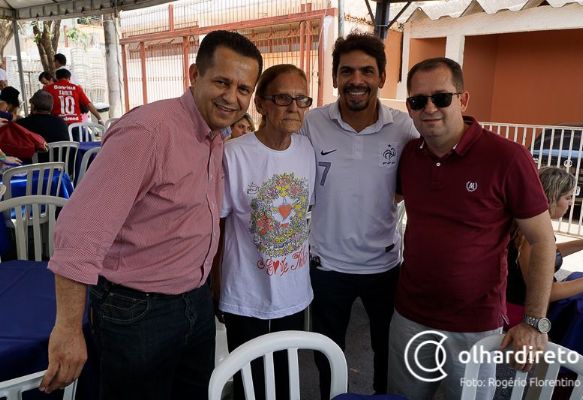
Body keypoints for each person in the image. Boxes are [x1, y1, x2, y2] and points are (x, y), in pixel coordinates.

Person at [39, 30, 263, 400]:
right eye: (222, 81)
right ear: (194, 75)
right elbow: (78, 236)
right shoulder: (148, 131)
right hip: (137, 313)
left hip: (195, 302)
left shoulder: (215, 135)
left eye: (244, 89)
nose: (232, 97)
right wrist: (67, 330)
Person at [388, 57, 556, 399]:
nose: (430, 108)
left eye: (441, 98)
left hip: (474, 327)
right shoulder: (410, 155)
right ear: (409, 107)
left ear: (463, 100)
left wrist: (535, 322)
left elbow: (541, 241)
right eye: (418, 101)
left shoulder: (507, 157)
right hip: (409, 317)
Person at [300, 32, 419, 399]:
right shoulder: (311, 122)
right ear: (334, 77)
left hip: (383, 267)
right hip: (325, 266)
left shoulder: (403, 128)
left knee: (387, 352)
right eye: (347, 71)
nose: (356, 80)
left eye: (367, 71)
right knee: (327, 354)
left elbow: (415, 178)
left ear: (382, 77)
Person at [215, 64, 315, 400]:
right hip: (246, 295)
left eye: (302, 99)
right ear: (261, 104)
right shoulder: (234, 154)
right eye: (283, 98)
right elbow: (216, 226)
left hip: (294, 290)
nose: (294, 108)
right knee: (250, 384)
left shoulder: (306, 151)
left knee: (286, 381)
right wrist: (215, 288)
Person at [506, 166, 583, 329]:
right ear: (550, 198)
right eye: (568, 197)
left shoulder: (524, 224)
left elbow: (545, 256)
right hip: (518, 316)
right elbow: (547, 293)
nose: (571, 203)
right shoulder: (530, 236)